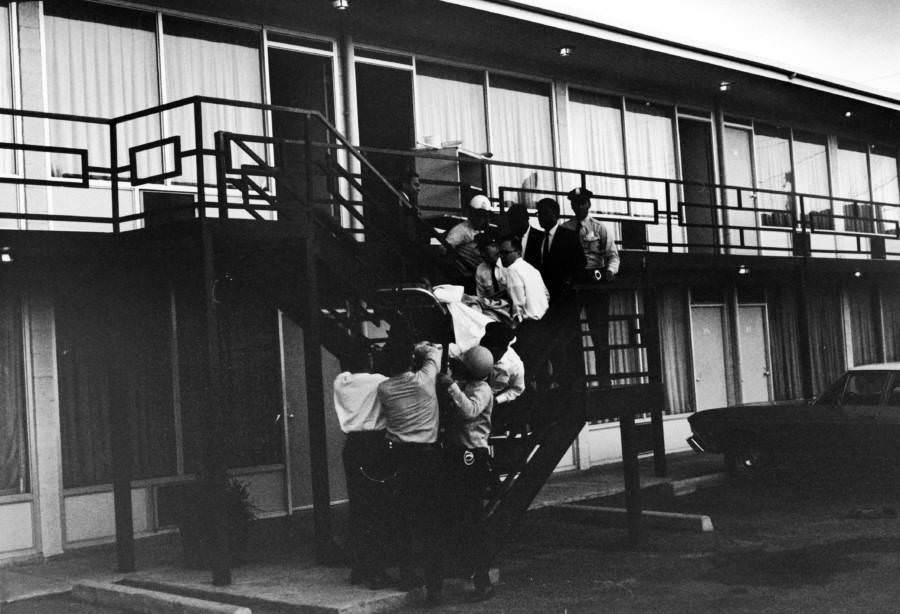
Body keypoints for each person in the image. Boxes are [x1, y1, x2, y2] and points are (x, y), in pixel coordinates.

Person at [376, 336, 444, 594]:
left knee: (402, 519)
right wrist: (418, 348)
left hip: (399, 457)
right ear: (410, 361)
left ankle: (407, 574)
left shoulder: (384, 388)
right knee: (431, 522)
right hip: (428, 456)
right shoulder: (425, 379)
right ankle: (435, 586)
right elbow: (434, 350)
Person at [436, 345, 496, 603]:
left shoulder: (482, 390)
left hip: (471, 456)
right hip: (457, 454)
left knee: (472, 517)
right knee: (455, 514)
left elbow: (469, 411)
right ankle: (468, 569)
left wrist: (451, 386)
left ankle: (481, 578)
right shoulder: (468, 384)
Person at [332, 353, 392, 589]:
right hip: (374, 443)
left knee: (359, 508)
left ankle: (359, 568)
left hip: (352, 445)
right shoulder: (379, 381)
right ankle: (375, 570)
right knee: (377, 509)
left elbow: (347, 373)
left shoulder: (341, 382)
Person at [561, 187, 621, 387]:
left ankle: (604, 379)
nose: (579, 206)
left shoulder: (599, 228)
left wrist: (610, 272)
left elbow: (612, 254)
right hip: (574, 284)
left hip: (595, 282)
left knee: (599, 332)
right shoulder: (565, 229)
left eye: (582, 203)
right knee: (571, 333)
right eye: (575, 203)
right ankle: (576, 380)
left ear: (589, 204)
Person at [498, 234, 550, 383]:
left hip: (527, 327)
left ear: (518, 252)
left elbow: (518, 302)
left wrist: (515, 325)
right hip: (543, 323)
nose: (502, 257)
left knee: (524, 371)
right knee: (541, 369)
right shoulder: (532, 270)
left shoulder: (512, 270)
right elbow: (546, 295)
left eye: (506, 253)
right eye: (500, 253)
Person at [535, 198, 586, 302]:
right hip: (543, 297)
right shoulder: (538, 238)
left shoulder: (568, 236)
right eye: (538, 213)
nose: (540, 217)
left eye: (544, 213)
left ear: (555, 214)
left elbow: (581, 262)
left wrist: (569, 283)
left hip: (564, 297)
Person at [480, 321, 526, 434]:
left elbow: (518, 389)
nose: (488, 355)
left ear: (504, 350)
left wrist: (497, 400)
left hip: (491, 402)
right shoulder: (477, 347)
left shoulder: (515, 366)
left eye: (493, 352)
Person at [446, 194, 494, 271]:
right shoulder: (460, 230)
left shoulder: (487, 230)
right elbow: (445, 248)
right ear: (471, 214)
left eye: (484, 215)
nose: (482, 219)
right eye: (478, 215)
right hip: (468, 273)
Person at [505, 203, 544, 268]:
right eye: (511, 221)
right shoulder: (507, 239)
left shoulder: (541, 237)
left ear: (527, 218)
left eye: (517, 220)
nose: (513, 225)